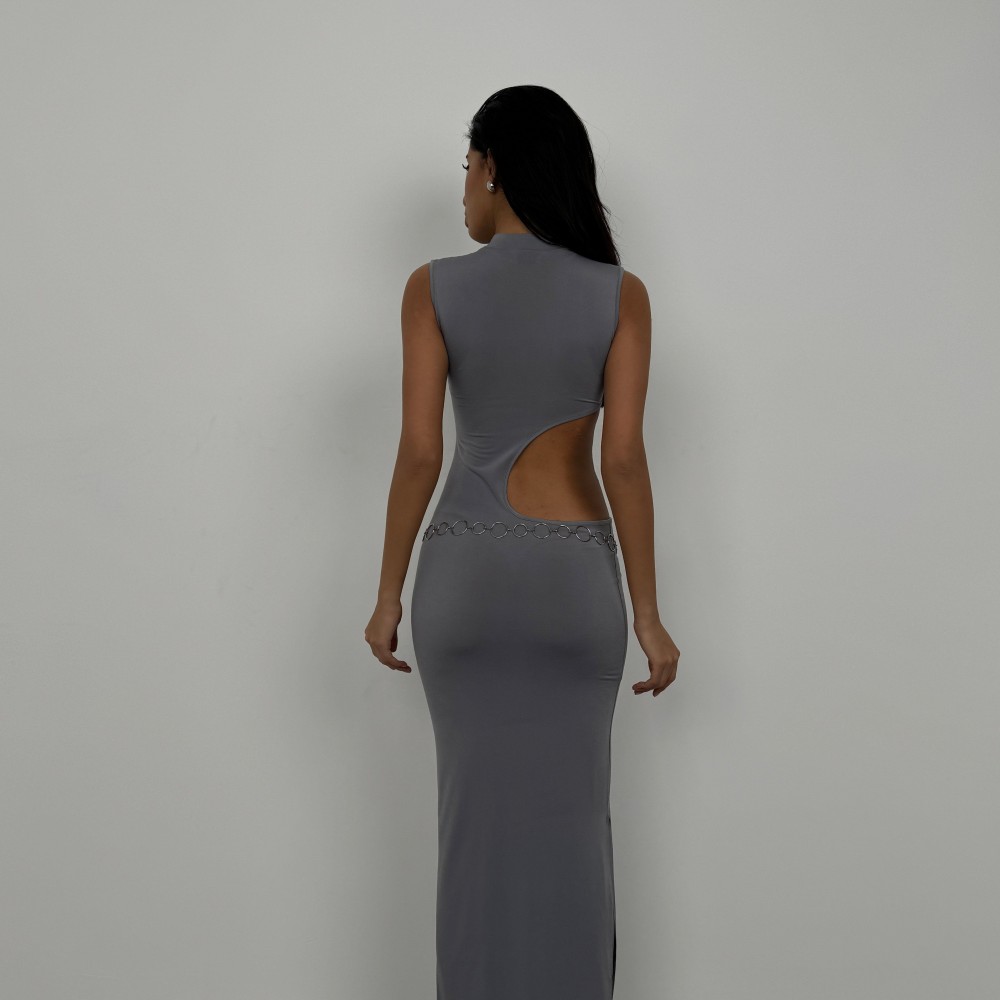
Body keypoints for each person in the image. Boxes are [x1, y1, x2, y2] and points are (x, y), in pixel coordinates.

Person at [365, 84, 680, 1000]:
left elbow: (421, 451)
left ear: (495, 167)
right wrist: (650, 616)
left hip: (466, 582)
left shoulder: (432, 288)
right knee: (574, 832)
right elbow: (623, 460)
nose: (463, 187)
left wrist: (386, 595)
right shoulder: (621, 295)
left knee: (471, 833)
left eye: (467, 166)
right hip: (572, 590)